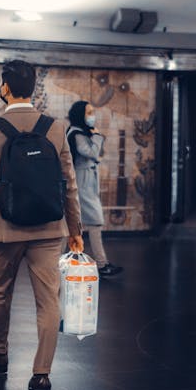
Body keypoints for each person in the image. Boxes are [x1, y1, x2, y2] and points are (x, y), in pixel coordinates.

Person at [0, 59, 83, 390]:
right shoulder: (55, 128)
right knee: (49, 301)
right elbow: (68, 183)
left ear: (6, 88)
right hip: (48, 229)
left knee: (0, 293)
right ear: (33, 88)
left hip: (3, 229)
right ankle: (42, 373)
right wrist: (76, 229)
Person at [67, 100, 123, 278]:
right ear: (80, 114)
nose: (92, 116)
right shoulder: (76, 133)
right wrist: (97, 137)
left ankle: (62, 263)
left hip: (84, 182)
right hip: (82, 184)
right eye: (89, 112)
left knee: (77, 225)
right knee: (95, 222)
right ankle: (101, 264)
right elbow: (91, 153)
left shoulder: (79, 132)